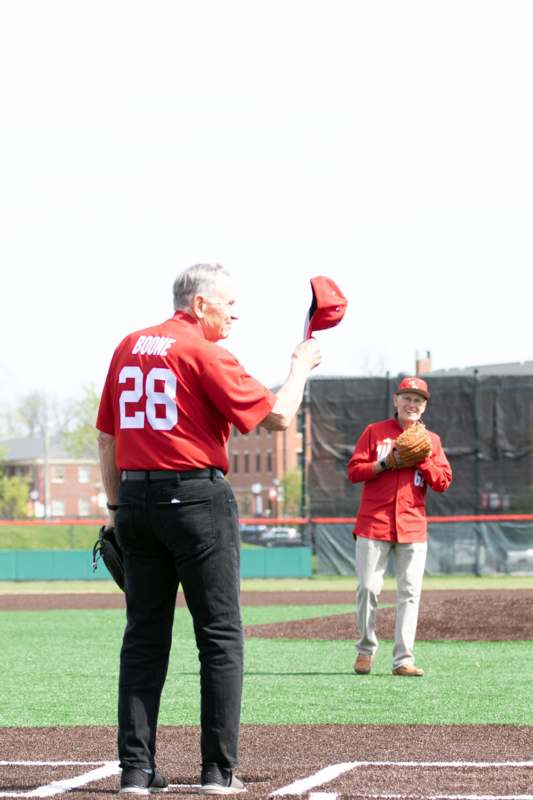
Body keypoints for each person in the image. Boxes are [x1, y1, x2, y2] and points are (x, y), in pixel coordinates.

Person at [96, 263, 321, 795]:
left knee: (143, 639)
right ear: (200, 305)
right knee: (220, 637)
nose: (234, 313)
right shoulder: (203, 350)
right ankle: (218, 772)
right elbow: (278, 419)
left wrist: (115, 508)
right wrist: (301, 368)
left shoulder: (128, 345)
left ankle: (135, 771)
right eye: (228, 304)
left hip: (135, 499)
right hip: (195, 498)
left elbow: (107, 436)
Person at [347, 376, 452, 677]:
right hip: (374, 522)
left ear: (424, 407)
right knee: (368, 587)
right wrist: (384, 463)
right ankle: (366, 649)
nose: (412, 403)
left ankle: (403, 659)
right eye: (407, 397)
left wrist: (423, 461)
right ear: (395, 400)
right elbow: (353, 471)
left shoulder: (431, 441)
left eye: (418, 399)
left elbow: (443, 482)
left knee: (410, 592)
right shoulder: (374, 432)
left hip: (412, 524)